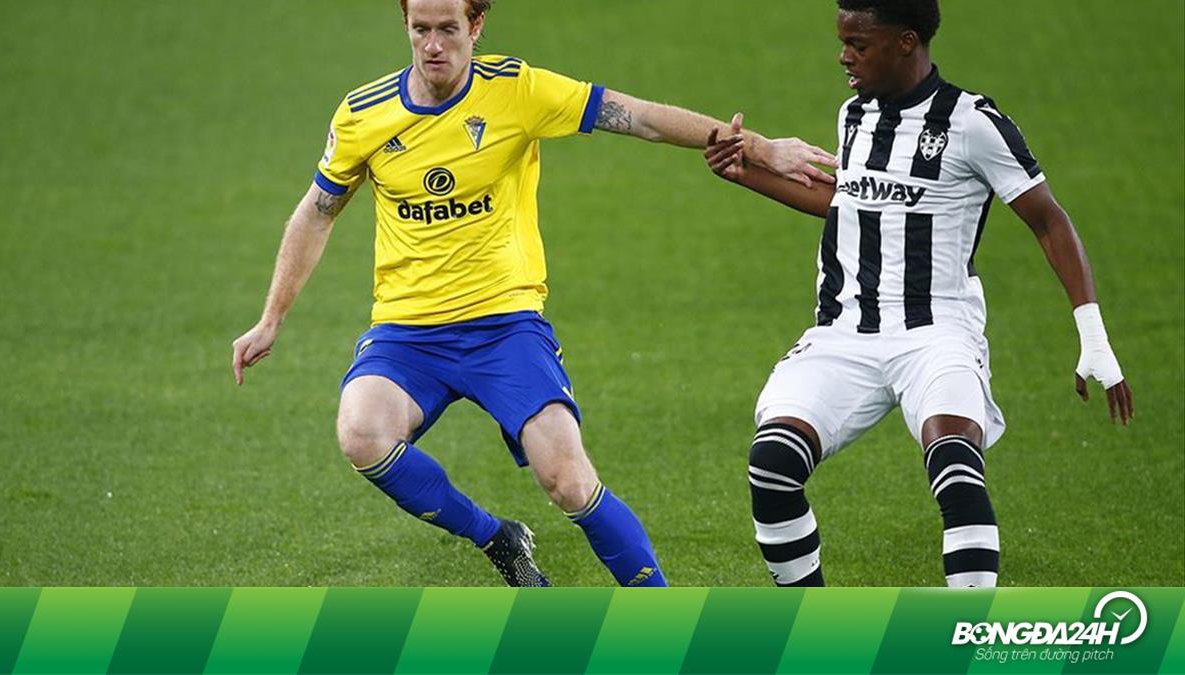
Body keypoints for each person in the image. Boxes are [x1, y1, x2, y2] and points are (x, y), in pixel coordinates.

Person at [230, 0, 836, 587]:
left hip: (505, 327)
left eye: (448, 29)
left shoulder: (517, 90)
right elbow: (317, 212)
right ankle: (497, 538)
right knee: (361, 434)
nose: (433, 45)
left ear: (477, 24)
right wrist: (270, 318)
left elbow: (642, 117)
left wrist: (759, 147)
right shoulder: (363, 114)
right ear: (405, 23)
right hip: (406, 333)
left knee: (568, 481)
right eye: (420, 29)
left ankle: (663, 613)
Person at [703, 0, 1133, 587]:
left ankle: (969, 633)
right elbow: (852, 204)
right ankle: (811, 625)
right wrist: (745, 174)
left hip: (937, 335)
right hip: (844, 333)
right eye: (843, 42)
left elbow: (1048, 220)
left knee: (956, 468)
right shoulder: (854, 114)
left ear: (905, 42)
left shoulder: (973, 123)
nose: (844, 56)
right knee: (772, 465)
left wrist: (1093, 335)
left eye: (858, 44)